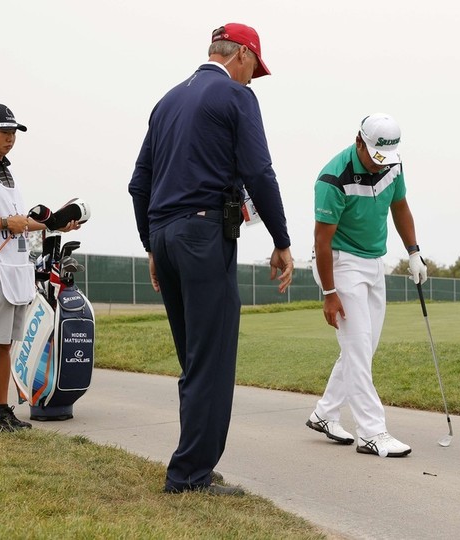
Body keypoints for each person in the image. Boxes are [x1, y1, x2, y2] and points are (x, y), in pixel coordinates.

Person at [128, 23, 294, 495]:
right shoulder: (236, 97)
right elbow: (259, 171)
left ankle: (193, 461)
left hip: (165, 235)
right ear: (241, 54)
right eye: (253, 69)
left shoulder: (166, 102)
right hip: (203, 236)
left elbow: (139, 184)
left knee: (194, 358)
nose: (252, 79)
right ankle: (189, 474)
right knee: (212, 360)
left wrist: (151, 245)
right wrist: (282, 240)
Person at [0, 103, 79, 433]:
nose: (10, 138)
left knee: (4, 342)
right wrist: (6, 222)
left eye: (13, 132)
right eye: (4, 131)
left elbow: (19, 223)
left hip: (13, 266)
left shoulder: (6, 174)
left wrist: (55, 224)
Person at [307, 113, 427, 458]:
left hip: (374, 261)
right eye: (375, 157)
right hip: (340, 262)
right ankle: (372, 433)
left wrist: (414, 252)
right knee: (358, 349)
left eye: (385, 159)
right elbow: (322, 242)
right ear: (359, 141)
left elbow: (400, 207)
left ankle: (325, 414)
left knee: (363, 348)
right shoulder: (333, 179)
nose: (379, 165)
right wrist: (329, 294)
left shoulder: (392, 165)